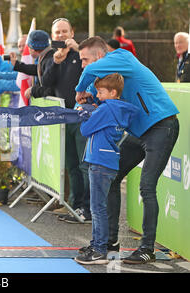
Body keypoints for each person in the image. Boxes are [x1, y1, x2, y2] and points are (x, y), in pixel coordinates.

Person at [75, 36, 179, 264]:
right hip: (138, 132)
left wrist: (79, 89)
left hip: (162, 126)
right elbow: (98, 97)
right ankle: (108, 243)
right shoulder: (105, 78)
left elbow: (89, 71)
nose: (82, 64)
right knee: (113, 176)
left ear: (99, 56)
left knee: (147, 186)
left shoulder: (122, 57)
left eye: (84, 59)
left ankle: (147, 248)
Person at [74, 73, 139, 265]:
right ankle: (97, 245)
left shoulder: (106, 109)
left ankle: (99, 249)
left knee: (97, 208)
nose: (97, 94)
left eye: (101, 91)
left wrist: (83, 112)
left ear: (112, 92)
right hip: (107, 161)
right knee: (98, 207)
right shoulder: (115, 108)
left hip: (100, 162)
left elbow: (85, 130)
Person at [40, 18, 91, 224]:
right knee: (71, 165)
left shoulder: (82, 54)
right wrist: (56, 62)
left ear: (72, 32)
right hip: (64, 118)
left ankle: (88, 208)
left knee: (84, 164)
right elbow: (45, 82)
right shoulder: (53, 56)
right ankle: (74, 205)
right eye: (57, 33)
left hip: (82, 117)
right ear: (53, 36)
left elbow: (93, 70)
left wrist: (78, 51)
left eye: (64, 32)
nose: (61, 35)